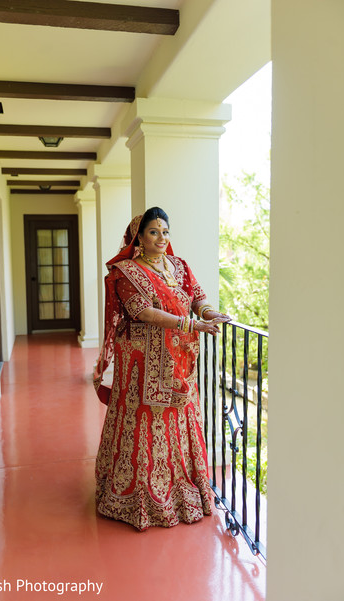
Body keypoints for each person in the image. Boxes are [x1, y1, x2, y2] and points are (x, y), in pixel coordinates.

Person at [94, 207, 231, 530]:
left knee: (179, 420)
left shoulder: (179, 265)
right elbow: (141, 312)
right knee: (145, 423)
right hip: (141, 363)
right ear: (139, 236)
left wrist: (210, 314)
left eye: (165, 232)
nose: (161, 238)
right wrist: (192, 324)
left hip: (178, 359)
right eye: (154, 232)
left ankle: (182, 492)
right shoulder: (126, 272)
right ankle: (138, 497)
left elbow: (198, 297)